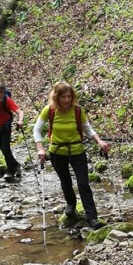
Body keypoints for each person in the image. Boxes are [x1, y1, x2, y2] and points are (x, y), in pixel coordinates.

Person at [33, 81, 110, 230]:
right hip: (57, 152)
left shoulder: (78, 111)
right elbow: (37, 129)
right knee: (65, 182)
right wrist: (41, 148)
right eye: (63, 97)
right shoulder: (49, 110)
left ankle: (92, 218)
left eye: (69, 96)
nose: (67, 100)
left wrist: (100, 142)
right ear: (57, 97)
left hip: (77, 151)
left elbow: (88, 129)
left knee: (83, 184)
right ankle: (71, 204)